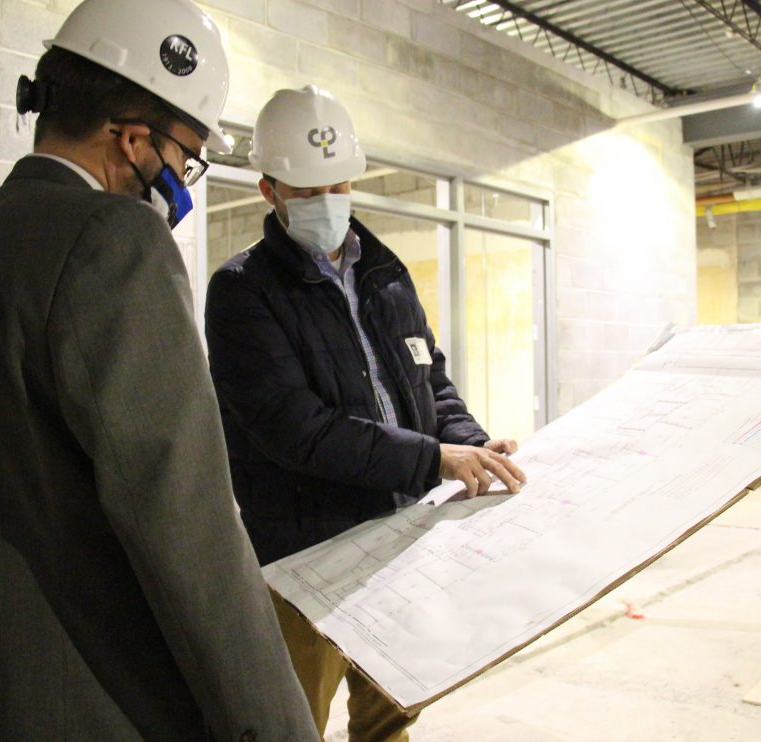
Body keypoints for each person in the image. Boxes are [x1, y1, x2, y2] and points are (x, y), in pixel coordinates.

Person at [0, 1, 318, 740]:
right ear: (134, 139)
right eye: (184, 161)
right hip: (92, 704)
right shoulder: (114, 238)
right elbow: (187, 526)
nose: (180, 183)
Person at [204, 85, 527, 741]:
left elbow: (427, 381)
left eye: (337, 185)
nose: (327, 203)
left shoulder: (386, 274)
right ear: (270, 190)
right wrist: (436, 459)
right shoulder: (242, 294)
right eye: (306, 190)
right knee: (291, 723)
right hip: (305, 562)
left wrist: (474, 443)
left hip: (398, 543)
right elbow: (299, 430)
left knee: (390, 719)